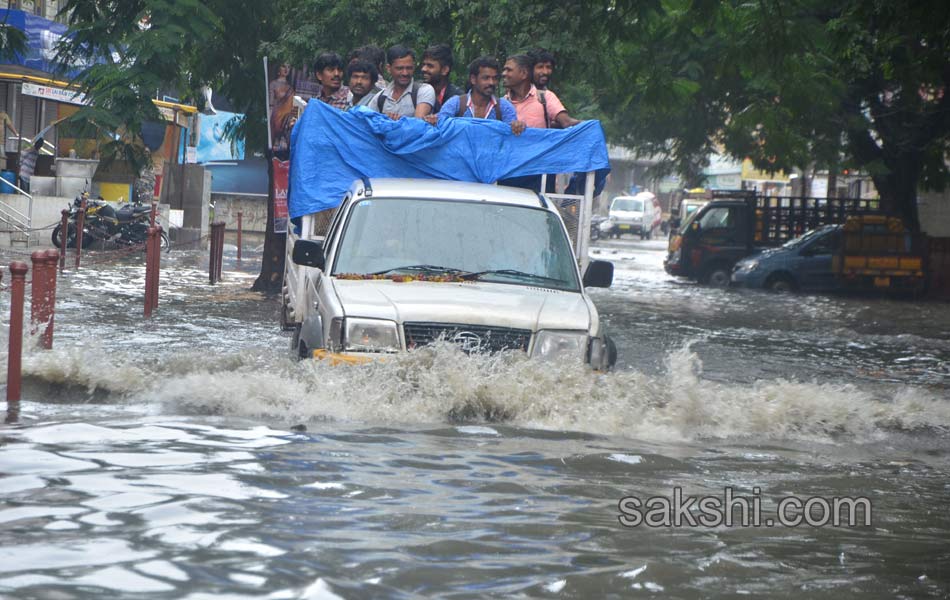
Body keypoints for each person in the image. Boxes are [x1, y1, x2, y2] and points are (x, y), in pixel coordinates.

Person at [433, 57, 525, 136]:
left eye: (495, 78)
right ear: (473, 79)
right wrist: (433, 120)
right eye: (486, 78)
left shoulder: (504, 107)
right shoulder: (456, 103)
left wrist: (517, 126)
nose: (491, 83)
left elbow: (512, 135)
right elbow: (440, 125)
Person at [503, 54, 580, 129]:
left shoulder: (545, 97)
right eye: (540, 67)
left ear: (524, 73)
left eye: (509, 70)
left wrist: (591, 125)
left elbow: (566, 122)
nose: (504, 73)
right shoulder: (501, 104)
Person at [370, 45, 435, 119]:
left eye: (409, 68)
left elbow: (418, 124)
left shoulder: (424, 91)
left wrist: (391, 123)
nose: (405, 73)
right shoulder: (379, 98)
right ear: (388, 68)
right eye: (399, 68)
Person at [421, 44, 462, 113]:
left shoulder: (458, 98)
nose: (423, 69)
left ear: (444, 70)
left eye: (430, 66)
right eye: (423, 65)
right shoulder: (417, 90)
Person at [269, 63, 295, 152]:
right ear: (278, 68)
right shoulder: (273, 84)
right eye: (283, 66)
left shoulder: (290, 87)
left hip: (288, 117)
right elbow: (271, 103)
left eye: (289, 67)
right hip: (277, 116)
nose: (286, 69)